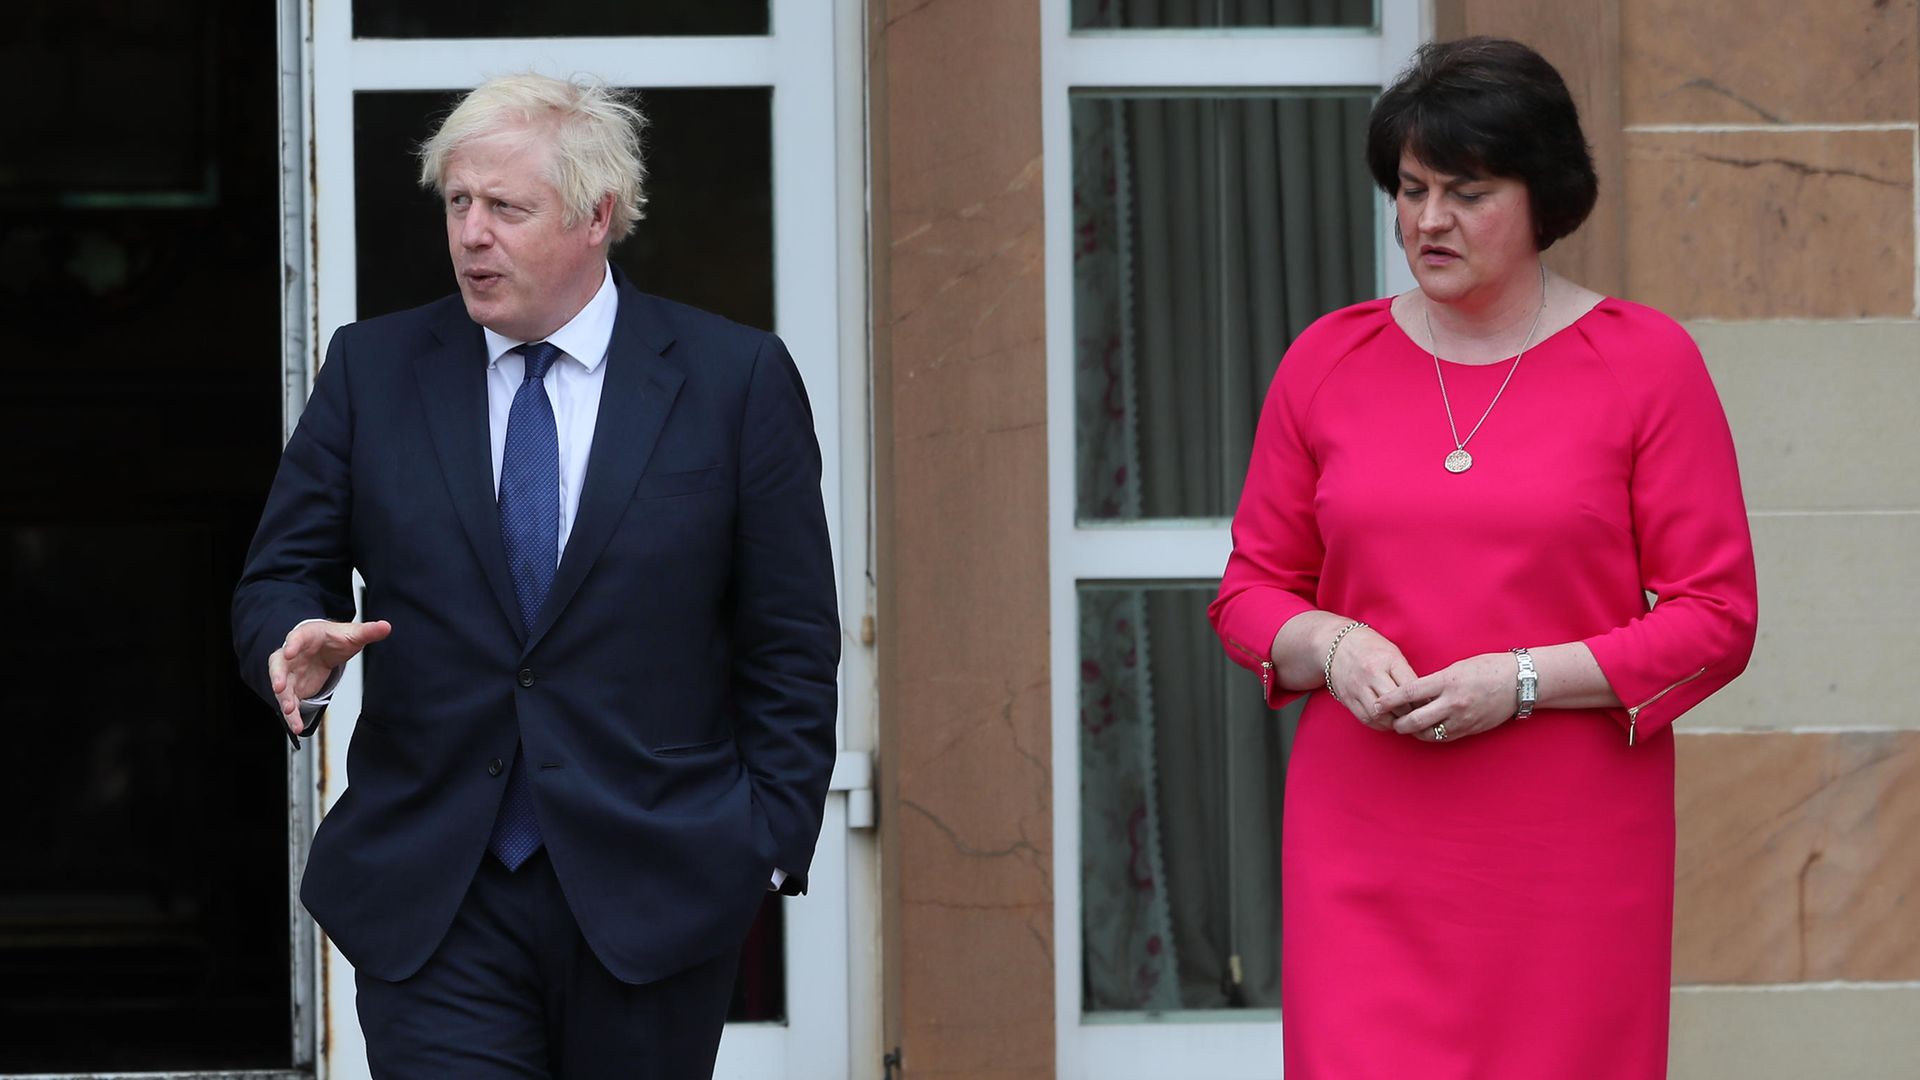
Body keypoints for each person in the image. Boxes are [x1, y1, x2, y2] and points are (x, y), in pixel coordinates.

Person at [232, 73, 840, 1078]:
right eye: (458, 203)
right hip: (437, 891)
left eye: (506, 208)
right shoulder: (373, 371)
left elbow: (791, 641)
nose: (473, 234)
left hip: (656, 888)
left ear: (597, 216)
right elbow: (279, 574)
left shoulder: (733, 383)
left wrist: (760, 847)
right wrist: (293, 642)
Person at [1209, 37, 1758, 1078]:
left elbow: (1716, 617)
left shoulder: (1646, 364)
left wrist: (1523, 680)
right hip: (1362, 839)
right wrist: (1327, 644)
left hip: (1570, 850)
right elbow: (1249, 592)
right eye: (1411, 189)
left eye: (1466, 191)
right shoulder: (1328, 359)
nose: (1427, 221)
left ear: (1542, 194)